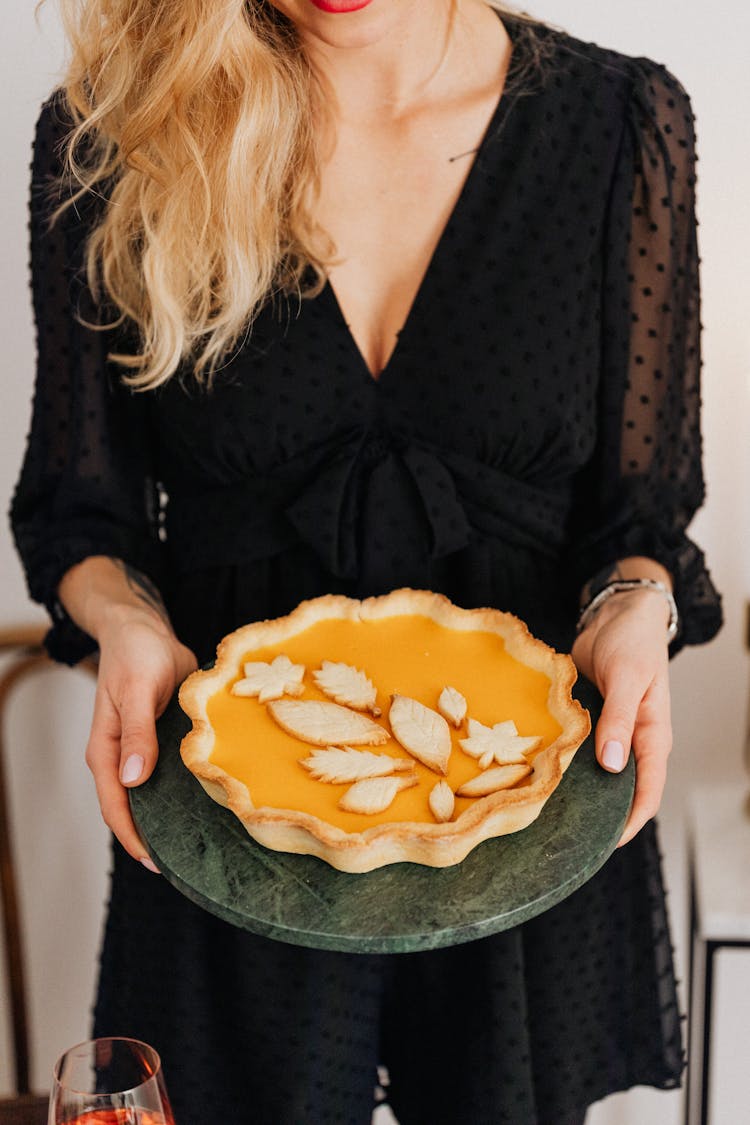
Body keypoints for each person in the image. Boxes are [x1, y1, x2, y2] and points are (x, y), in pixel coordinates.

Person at [12, 0, 722, 1122]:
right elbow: (78, 512)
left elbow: (640, 509)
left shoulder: (622, 123)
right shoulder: (116, 134)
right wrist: (127, 622)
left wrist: (637, 602)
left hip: (518, 799)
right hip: (235, 817)